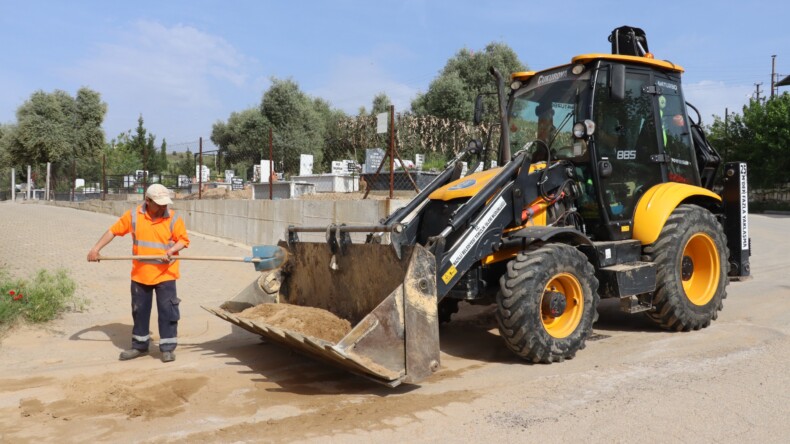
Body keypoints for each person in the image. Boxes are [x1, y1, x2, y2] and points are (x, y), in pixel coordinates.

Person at [87, 184, 189, 363]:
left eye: (165, 203)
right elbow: (112, 231)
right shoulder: (134, 216)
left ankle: (167, 348)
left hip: (166, 274)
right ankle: (140, 346)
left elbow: (183, 240)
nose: (163, 207)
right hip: (141, 275)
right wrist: (95, 249)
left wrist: (172, 250)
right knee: (139, 311)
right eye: (159, 204)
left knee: (168, 311)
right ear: (147, 201)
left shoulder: (173, 217)